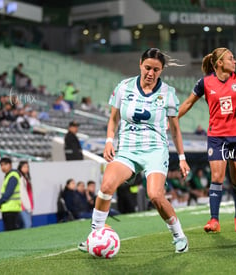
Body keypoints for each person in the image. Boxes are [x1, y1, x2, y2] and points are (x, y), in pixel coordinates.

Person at [78, 48, 190, 254]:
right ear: (140, 64)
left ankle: (178, 235)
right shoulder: (124, 87)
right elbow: (113, 118)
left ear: (161, 70)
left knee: (155, 195)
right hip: (128, 150)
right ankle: (95, 234)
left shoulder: (168, 93)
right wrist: (109, 141)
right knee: (106, 186)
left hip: (155, 150)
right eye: (147, 67)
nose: (151, 73)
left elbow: (175, 130)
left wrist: (182, 158)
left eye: (156, 69)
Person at [178, 47, 236, 233]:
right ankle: (214, 220)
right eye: (231, 58)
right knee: (216, 177)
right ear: (220, 63)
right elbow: (188, 103)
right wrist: (172, 120)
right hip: (217, 136)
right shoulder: (205, 83)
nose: (235, 61)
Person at [0, 157, 22, 231]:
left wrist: (0, 201)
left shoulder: (12, 176)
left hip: (11, 208)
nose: (3, 167)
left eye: (5, 164)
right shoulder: (9, 176)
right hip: (10, 208)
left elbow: (9, 192)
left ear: (10, 165)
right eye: (1, 165)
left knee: (11, 232)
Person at [18, 161, 34, 228]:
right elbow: (22, 193)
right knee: (27, 224)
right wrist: (28, 206)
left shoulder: (26, 178)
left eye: (27, 167)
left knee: (27, 225)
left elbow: (29, 193)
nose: (26, 168)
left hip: (28, 204)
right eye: (24, 167)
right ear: (20, 168)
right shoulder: (20, 178)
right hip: (23, 206)